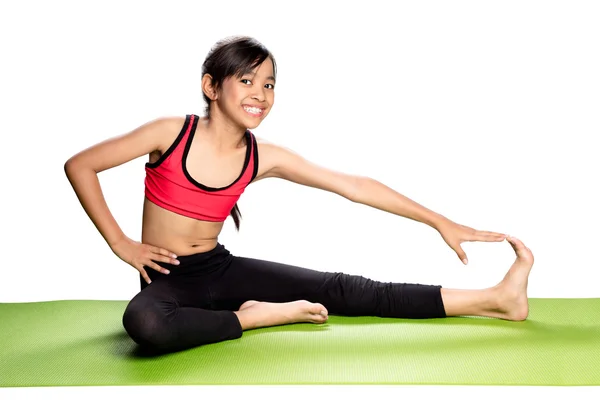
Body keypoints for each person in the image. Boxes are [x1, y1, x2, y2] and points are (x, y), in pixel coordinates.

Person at [64, 35, 535, 354]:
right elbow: (80, 165)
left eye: (268, 84)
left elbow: (354, 185)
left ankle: (495, 299)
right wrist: (122, 244)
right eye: (246, 80)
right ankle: (255, 318)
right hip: (166, 280)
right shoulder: (171, 133)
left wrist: (440, 222)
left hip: (219, 270)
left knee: (348, 289)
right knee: (145, 325)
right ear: (211, 86)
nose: (260, 94)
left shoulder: (261, 155)